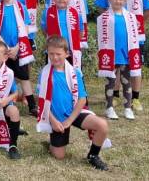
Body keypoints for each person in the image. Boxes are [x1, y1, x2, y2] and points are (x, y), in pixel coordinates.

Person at [37, 36, 110, 171]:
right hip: (56, 118)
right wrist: (53, 121)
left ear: (67, 54)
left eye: (58, 54)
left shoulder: (75, 72)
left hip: (75, 113)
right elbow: (41, 102)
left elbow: (82, 99)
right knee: (59, 156)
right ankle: (52, 144)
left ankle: (93, 156)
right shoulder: (44, 73)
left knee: (102, 125)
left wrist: (70, 120)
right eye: (51, 54)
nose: (54, 57)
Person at [94, 0, 149, 110]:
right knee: (116, 64)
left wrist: (133, 26)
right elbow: (100, 8)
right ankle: (114, 96)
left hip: (134, 35)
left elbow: (148, 11)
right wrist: (112, 23)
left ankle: (135, 98)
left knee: (135, 66)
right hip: (113, 35)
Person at [97, 0, 142, 120]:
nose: (118, 1)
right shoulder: (104, 18)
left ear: (125, 1)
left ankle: (128, 108)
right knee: (110, 82)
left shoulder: (130, 17)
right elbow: (101, 37)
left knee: (126, 82)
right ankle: (109, 107)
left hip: (126, 55)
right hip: (110, 55)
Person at [0, 0, 36, 116]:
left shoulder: (21, 7)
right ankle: (7, 104)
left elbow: (26, 28)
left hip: (19, 48)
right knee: (4, 76)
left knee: (24, 77)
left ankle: (32, 107)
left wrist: (17, 47)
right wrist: (6, 48)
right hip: (3, 49)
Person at [43, 0, 83, 69]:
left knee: (73, 72)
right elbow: (45, 29)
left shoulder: (75, 12)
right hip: (54, 51)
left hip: (71, 51)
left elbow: (80, 31)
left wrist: (76, 44)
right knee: (53, 72)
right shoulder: (47, 12)